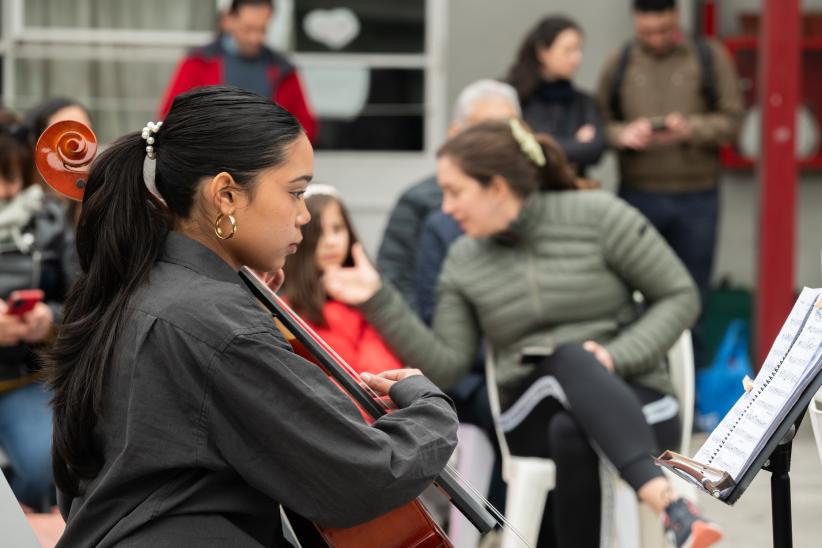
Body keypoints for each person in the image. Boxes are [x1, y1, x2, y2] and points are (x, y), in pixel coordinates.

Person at [44, 85, 458, 547]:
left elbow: (74, 482)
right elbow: (361, 474)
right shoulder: (216, 321)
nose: (305, 214)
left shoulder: (127, 286)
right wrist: (431, 407)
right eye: (296, 192)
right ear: (225, 195)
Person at [324, 119, 723, 548]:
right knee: (570, 359)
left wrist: (617, 357)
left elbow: (680, 295)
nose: (446, 208)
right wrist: (377, 298)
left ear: (496, 187)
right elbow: (448, 364)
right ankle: (670, 506)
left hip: (641, 402)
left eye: (455, 192)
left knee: (572, 429)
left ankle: (667, 511)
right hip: (529, 413)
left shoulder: (599, 216)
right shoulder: (464, 258)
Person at [596, 0, 743, 366]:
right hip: (638, 195)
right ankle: (640, 380)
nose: (656, 39)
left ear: (677, 17)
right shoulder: (622, 61)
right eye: (647, 32)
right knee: (631, 295)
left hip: (697, 197)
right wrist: (623, 133)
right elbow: (597, 125)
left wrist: (690, 129)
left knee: (693, 296)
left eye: (664, 31)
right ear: (635, 23)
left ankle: (689, 387)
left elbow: (732, 120)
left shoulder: (708, 56)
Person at [377, 79, 520, 309]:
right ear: (455, 132)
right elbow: (395, 280)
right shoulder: (419, 202)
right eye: (485, 130)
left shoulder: (532, 198)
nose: (497, 142)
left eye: (507, 130)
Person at [0, 108, 71, 511]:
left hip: (25, 378)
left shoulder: (50, 222)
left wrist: (50, 319)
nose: (6, 191)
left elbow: (84, 300)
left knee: (47, 465)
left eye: (12, 177)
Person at [280, 184, 403, 375]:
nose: (331, 241)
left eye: (337, 229)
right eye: (318, 232)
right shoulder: (285, 311)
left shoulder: (372, 293)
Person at [158, 0, 317, 141]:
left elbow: (306, 127)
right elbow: (171, 117)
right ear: (228, 20)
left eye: (263, 30)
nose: (255, 38)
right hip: (210, 161)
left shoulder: (283, 69)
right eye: (248, 29)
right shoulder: (198, 63)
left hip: (268, 164)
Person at [506, 15, 605, 176]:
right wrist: (575, 144)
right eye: (568, 50)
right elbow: (517, 148)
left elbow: (595, 149)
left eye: (579, 50)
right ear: (543, 53)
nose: (577, 59)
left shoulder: (583, 102)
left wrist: (543, 144)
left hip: (572, 190)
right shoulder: (515, 97)